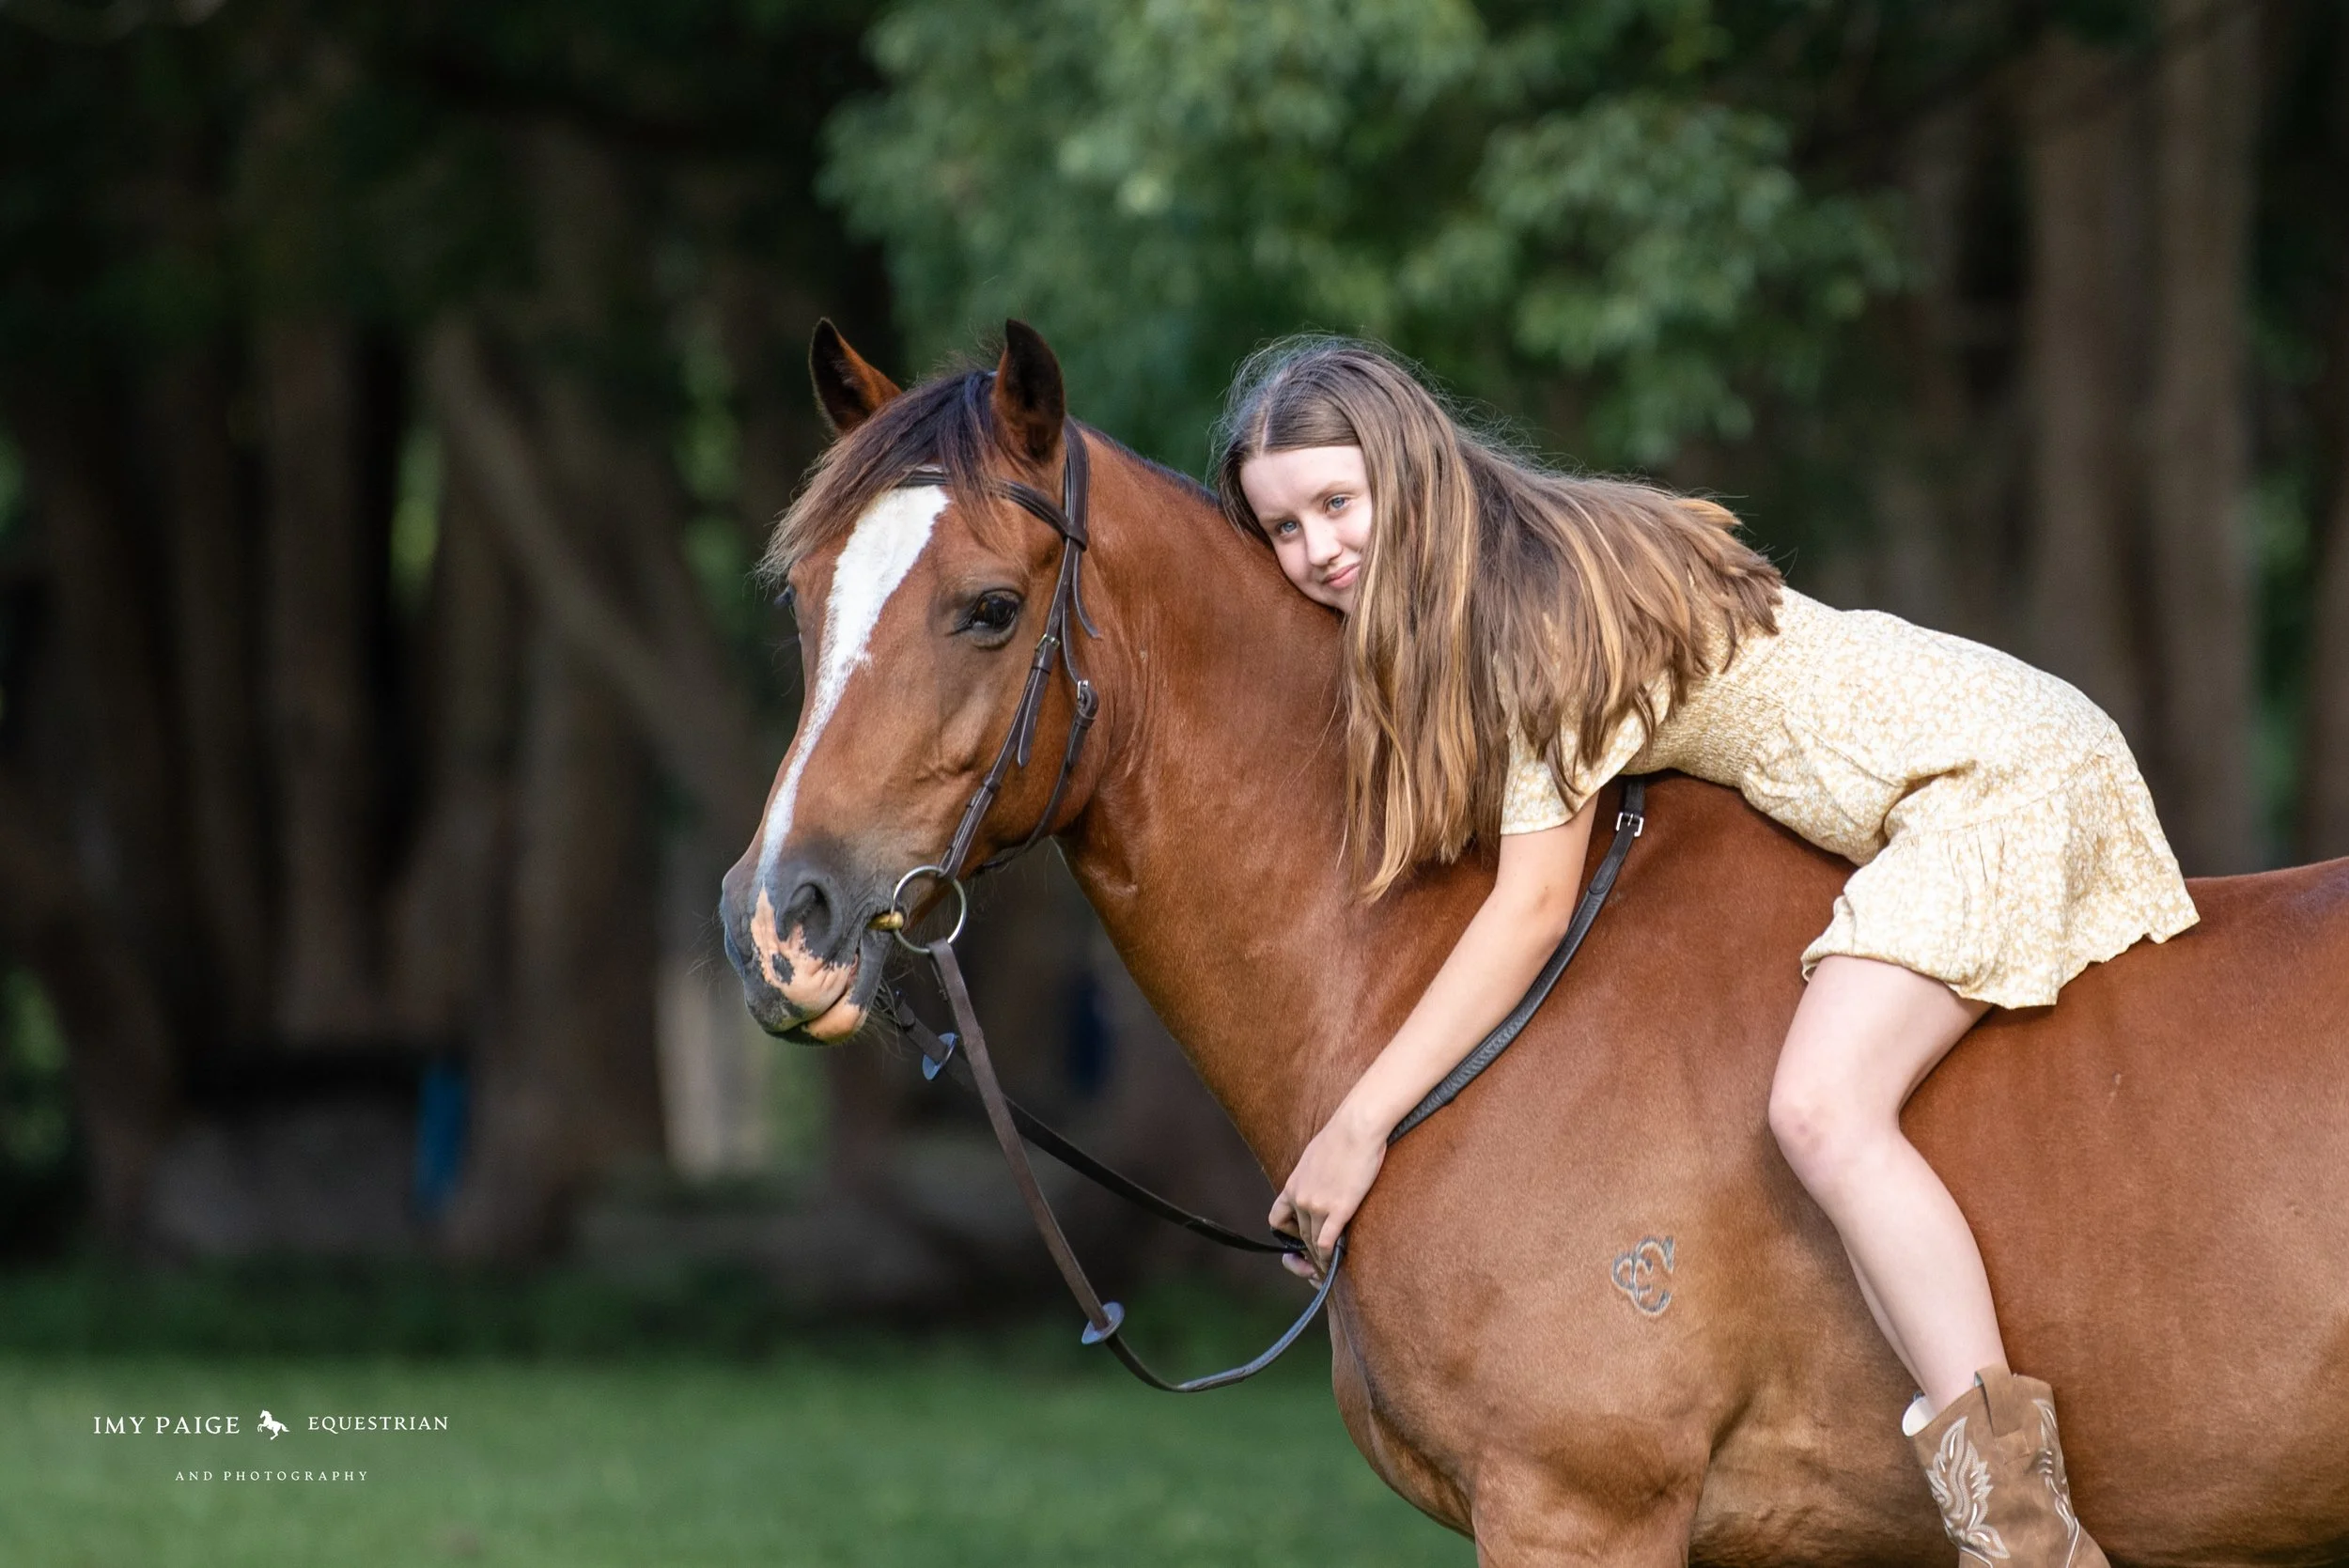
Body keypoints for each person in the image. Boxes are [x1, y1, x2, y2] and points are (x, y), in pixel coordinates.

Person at [1213, 336, 2196, 1568]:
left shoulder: (1531, 623)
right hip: (1977, 740)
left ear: (1407, 469)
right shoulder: (1498, 582)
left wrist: (1358, 1125)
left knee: (1825, 1111)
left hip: (1986, 774)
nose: (1316, 552)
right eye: (1283, 531)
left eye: (1333, 504)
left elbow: (1527, 912)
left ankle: (2024, 1532)